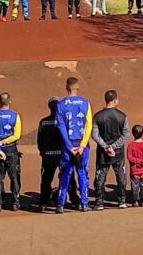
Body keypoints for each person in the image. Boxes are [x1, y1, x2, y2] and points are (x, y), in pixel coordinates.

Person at [55, 77, 93, 213]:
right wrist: (82, 145)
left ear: (67, 88)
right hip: (82, 145)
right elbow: (89, 125)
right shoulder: (85, 103)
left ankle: (60, 204)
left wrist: (69, 146)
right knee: (82, 173)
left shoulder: (60, 104)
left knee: (65, 174)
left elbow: (61, 126)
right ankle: (84, 203)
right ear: (78, 87)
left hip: (68, 145)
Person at [37, 96, 79, 212]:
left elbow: (39, 140)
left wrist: (43, 152)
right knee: (69, 178)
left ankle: (43, 203)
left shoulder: (44, 122)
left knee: (46, 180)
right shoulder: (64, 121)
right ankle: (75, 201)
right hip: (63, 155)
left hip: (48, 157)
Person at [92, 90, 130, 210]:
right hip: (118, 153)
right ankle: (122, 201)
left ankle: (99, 202)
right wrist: (113, 147)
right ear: (114, 100)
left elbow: (95, 135)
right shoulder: (122, 116)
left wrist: (106, 147)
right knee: (121, 176)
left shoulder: (98, 116)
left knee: (100, 177)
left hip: (103, 153)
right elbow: (126, 134)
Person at [0, 93, 23, 211]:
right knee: (14, 176)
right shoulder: (15, 116)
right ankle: (15, 202)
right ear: (10, 101)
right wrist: (4, 142)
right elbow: (16, 135)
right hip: (11, 150)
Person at [126, 124, 143, 207]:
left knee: (135, 186)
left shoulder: (131, 145)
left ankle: (135, 201)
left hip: (134, 170)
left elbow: (129, 157)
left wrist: (137, 161)